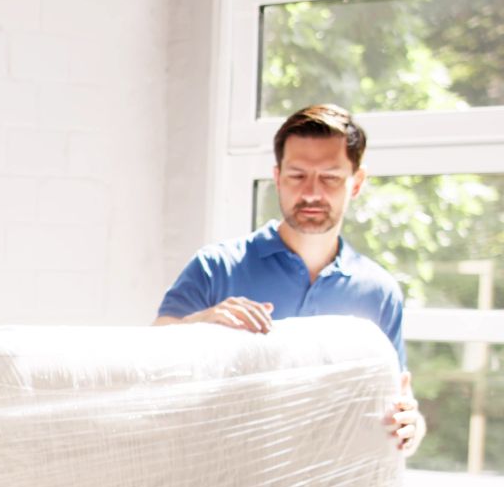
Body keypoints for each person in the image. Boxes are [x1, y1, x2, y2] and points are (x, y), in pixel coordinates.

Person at [155, 103, 425, 455]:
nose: (311, 193)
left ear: (356, 183)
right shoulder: (218, 265)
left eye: (329, 177)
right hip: (221, 477)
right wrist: (200, 323)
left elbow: (395, 396)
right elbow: (153, 357)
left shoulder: (378, 291)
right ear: (278, 176)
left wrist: (411, 426)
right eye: (298, 176)